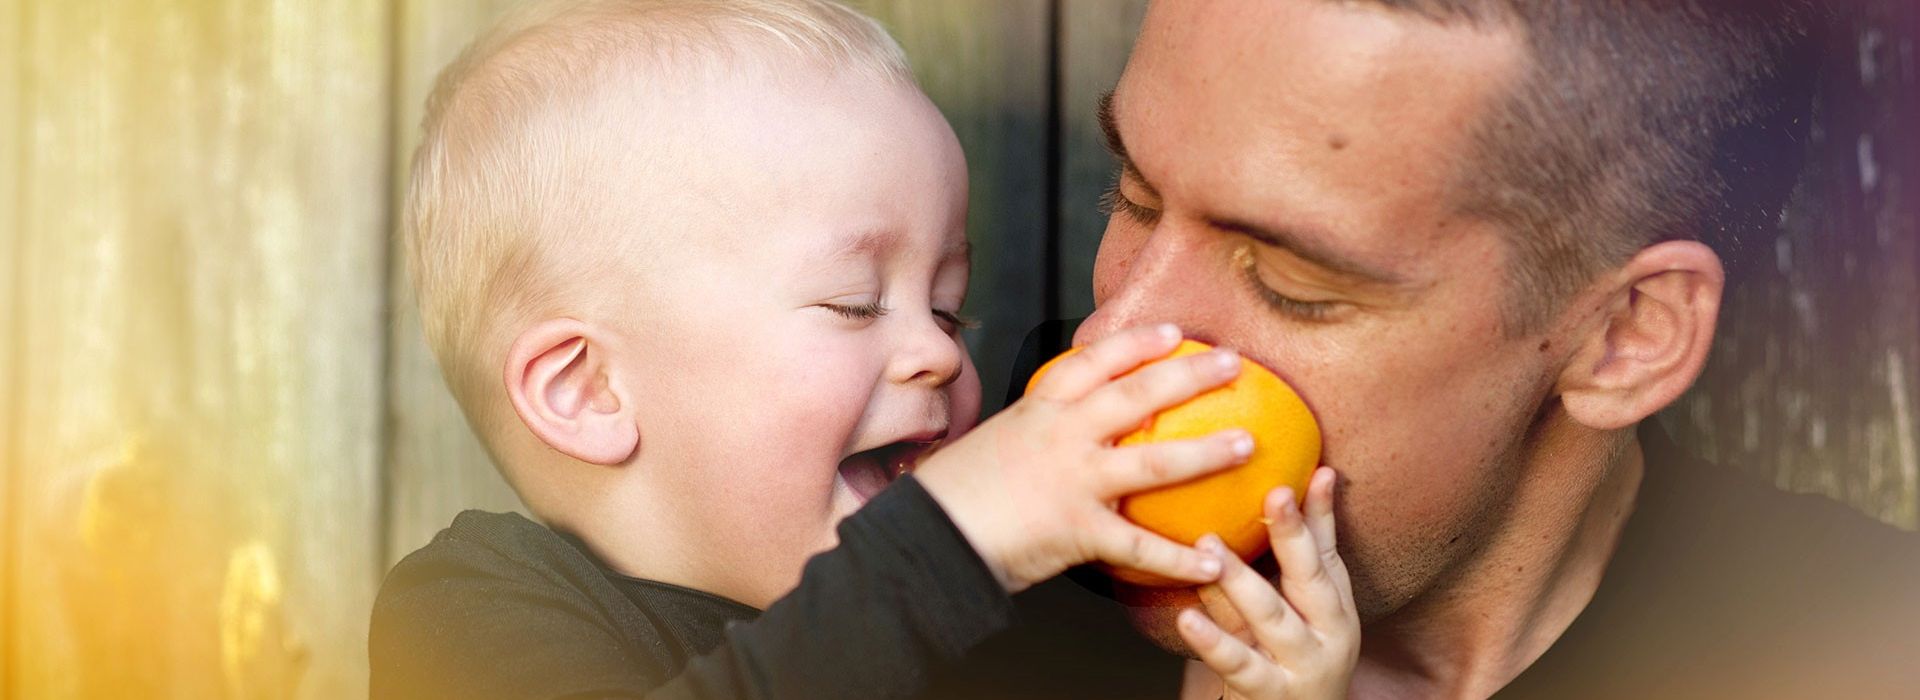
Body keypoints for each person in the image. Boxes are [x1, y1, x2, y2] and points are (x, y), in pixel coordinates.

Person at [368, 1, 1361, 698]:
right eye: (853, 304)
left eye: (948, 307)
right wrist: (952, 540)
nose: (935, 352)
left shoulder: (1013, 613)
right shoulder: (469, 610)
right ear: (588, 388)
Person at [928, 1, 1920, 698]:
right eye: (1132, 198)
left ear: (1624, 339)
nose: (1111, 338)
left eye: (1294, 285)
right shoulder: (925, 530)